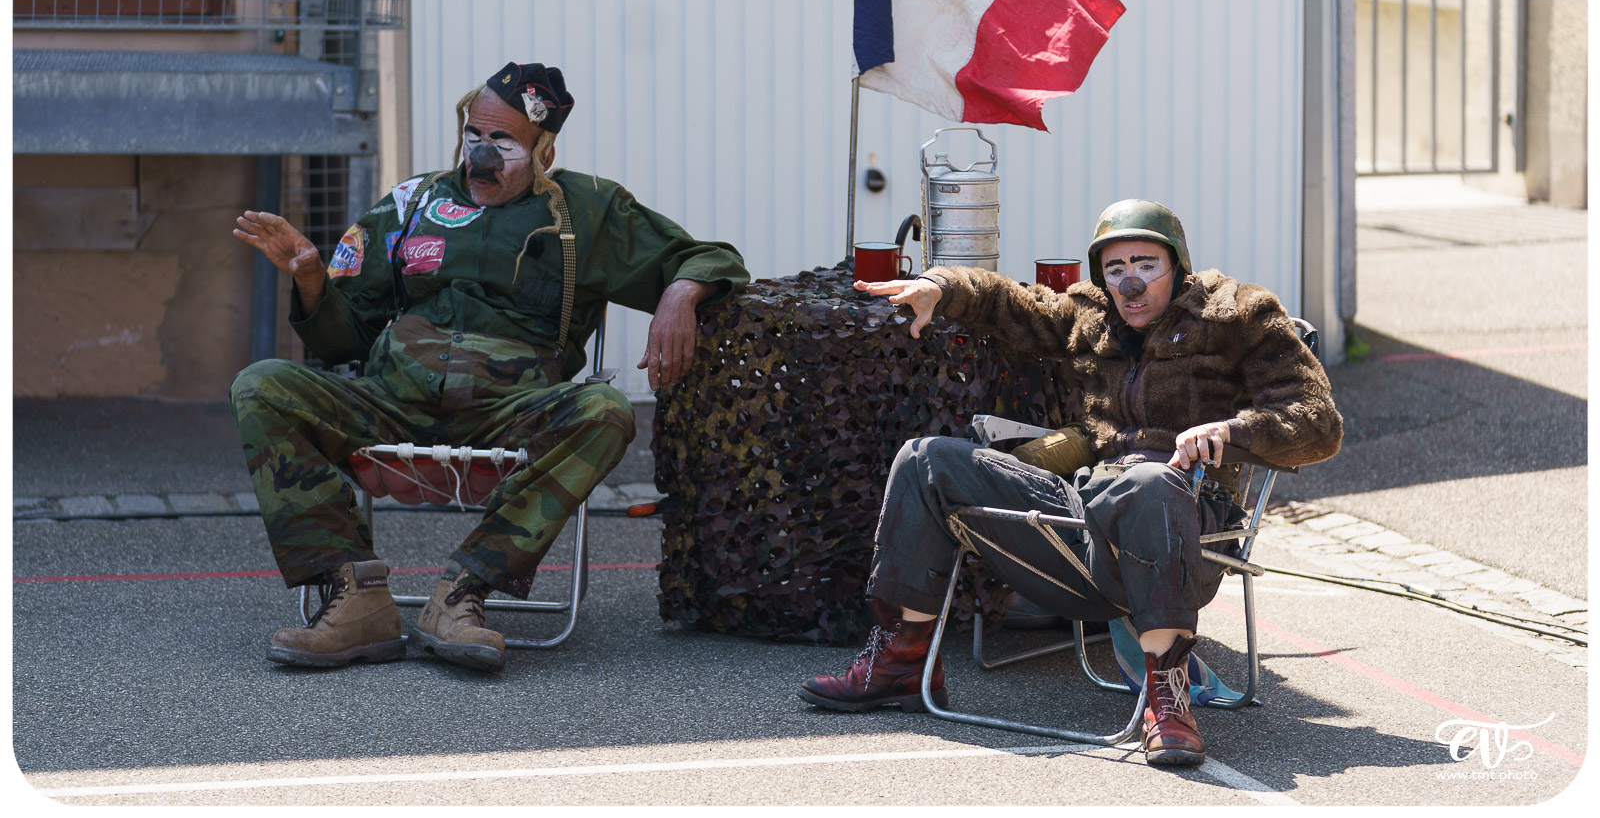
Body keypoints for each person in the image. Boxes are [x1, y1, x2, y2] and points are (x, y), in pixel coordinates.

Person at [231, 61, 748, 672]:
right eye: (473, 135)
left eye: (503, 143)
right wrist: (314, 280)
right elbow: (341, 339)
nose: (480, 155)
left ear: (545, 153)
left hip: (511, 414)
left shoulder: (587, 212)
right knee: (262, 385)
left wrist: (680, 294)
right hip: (392, 400)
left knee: (606, 411)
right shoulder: (411, 204)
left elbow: (711, 257)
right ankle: (356, 595)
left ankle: (462, 592)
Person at [797, 199, 1342, 766]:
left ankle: (1168, 698)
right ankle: (902, 662)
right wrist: (938, 284)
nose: (1130, 283)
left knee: (1150, 481)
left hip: (1186, 518)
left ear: (1178, 265)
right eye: (1115, 268)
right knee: (925, 459)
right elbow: (1009, 301)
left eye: (1146, 264)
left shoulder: (1238, 313)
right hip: (1085, 515)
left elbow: (1318, 422)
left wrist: (1231, 431)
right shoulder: (1092, 313)